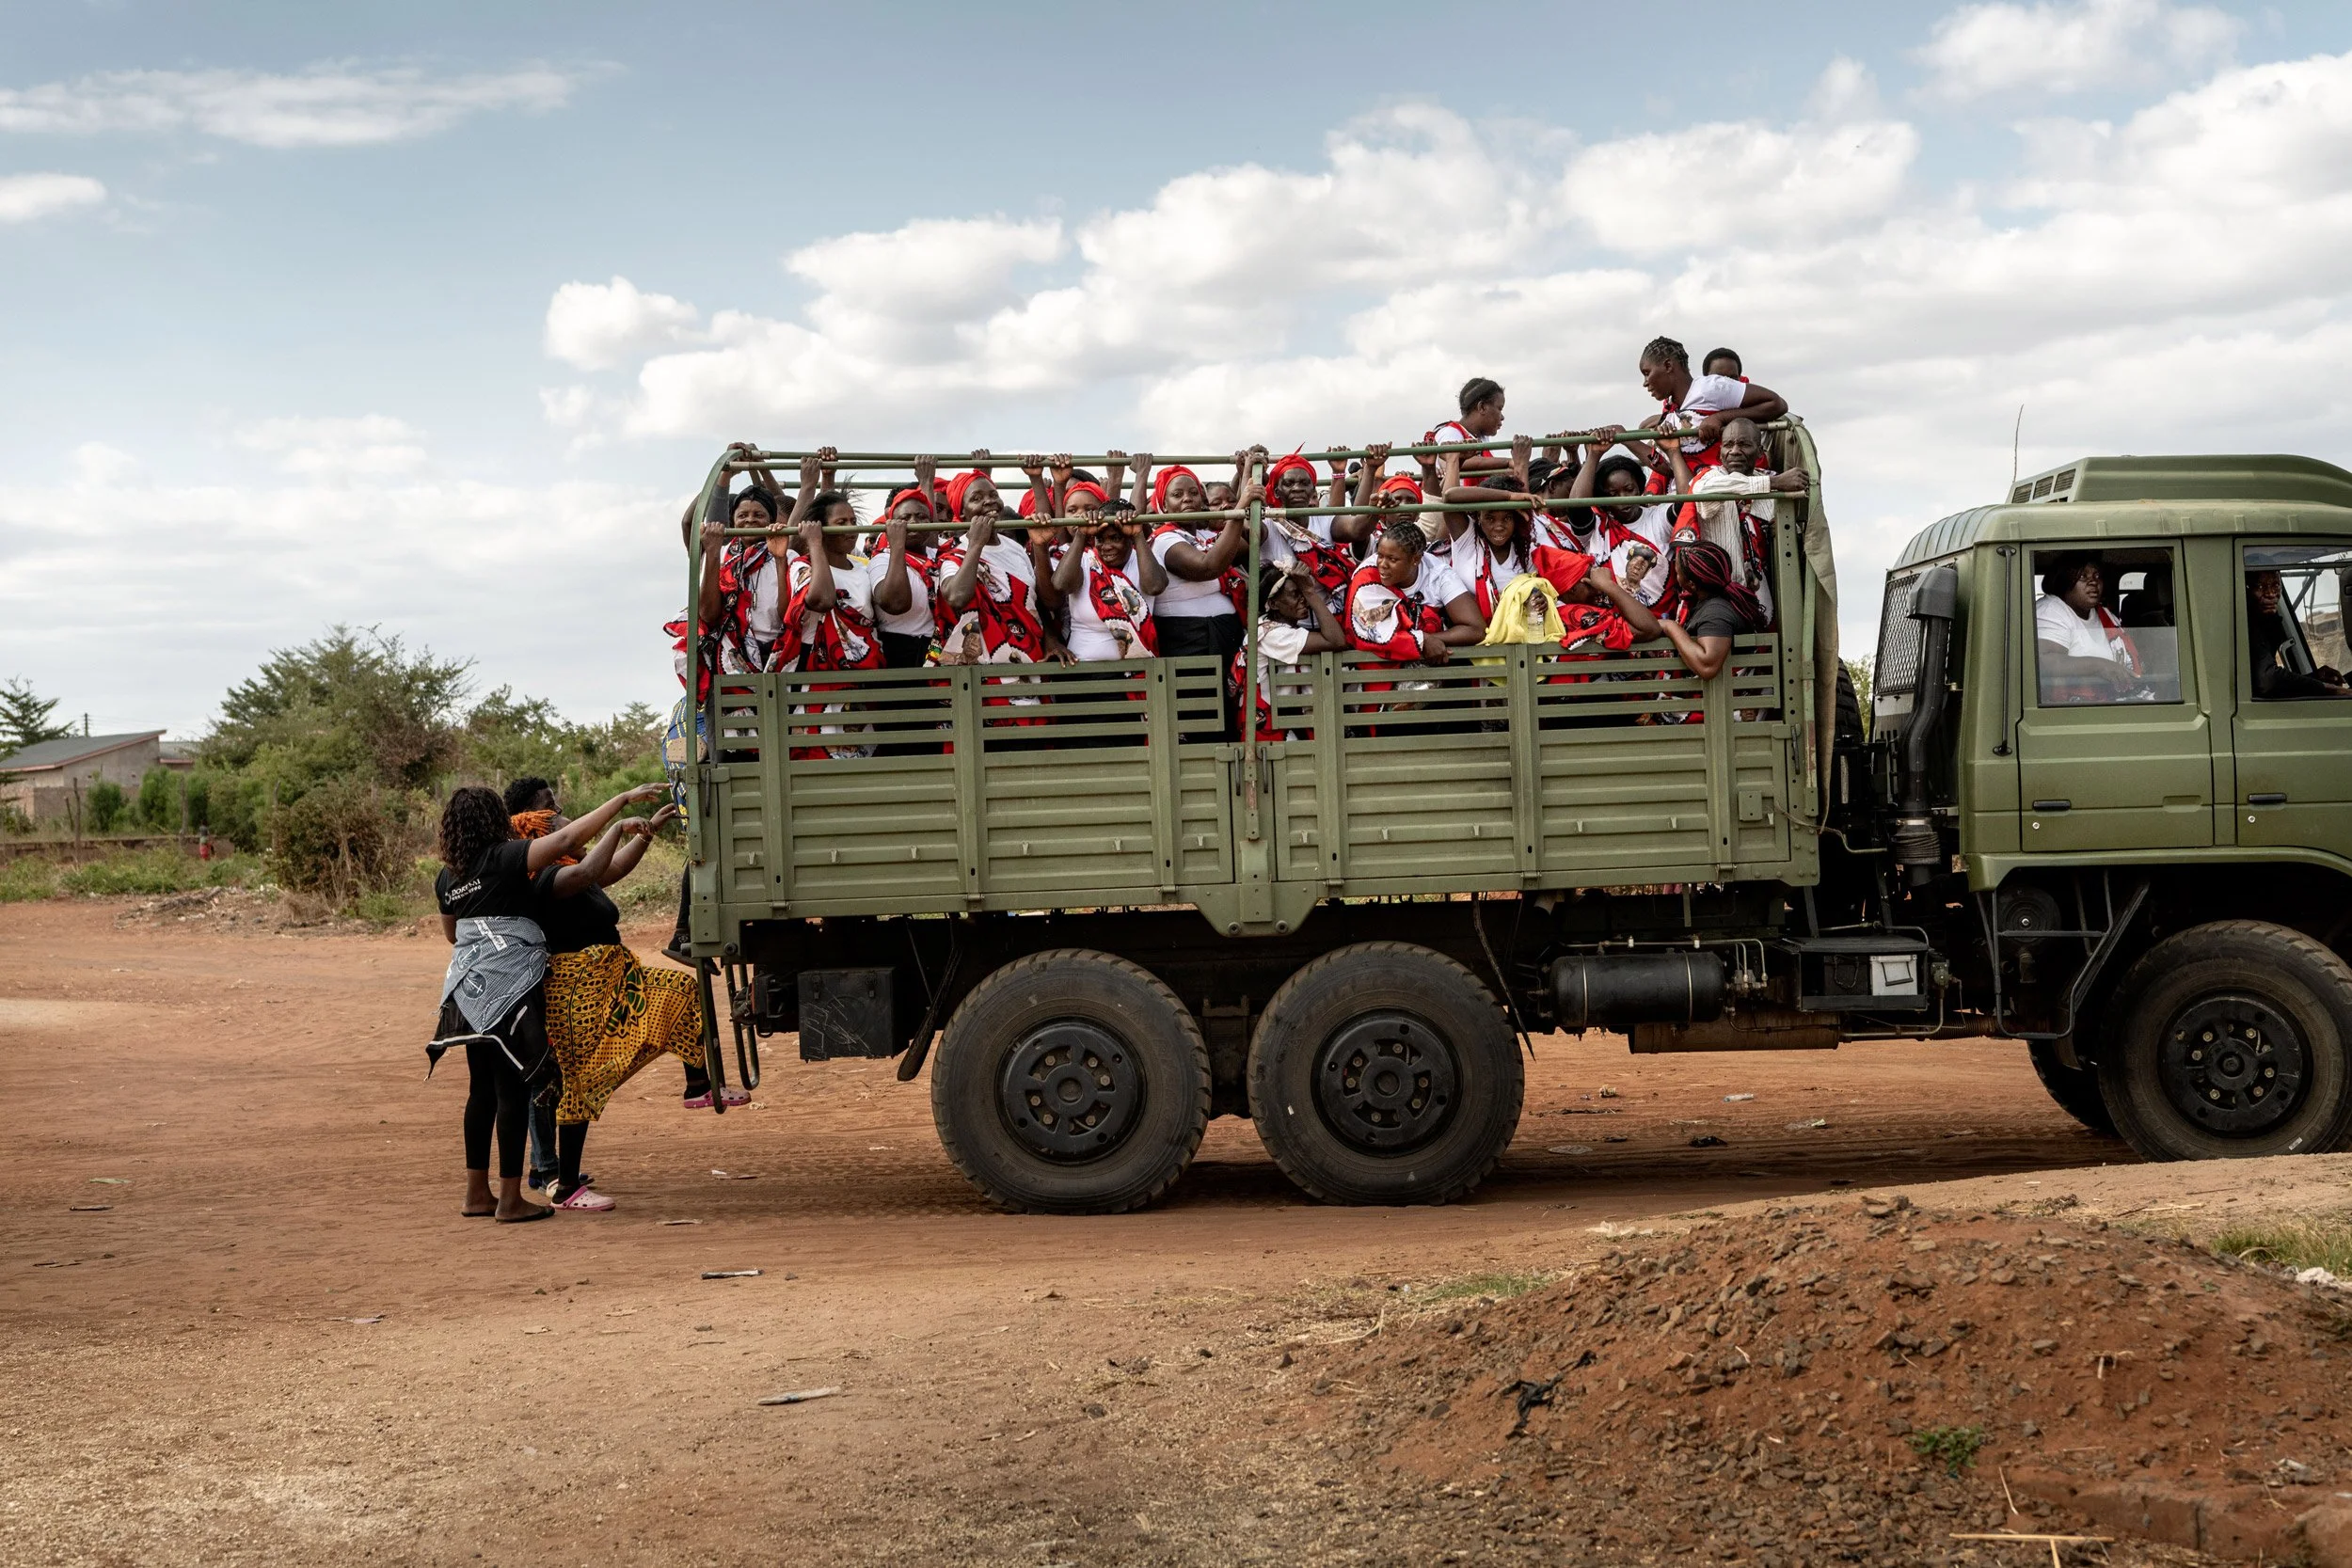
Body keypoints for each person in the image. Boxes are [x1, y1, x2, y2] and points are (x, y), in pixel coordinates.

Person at [432, 781, 665, 1223]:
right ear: (493, 821)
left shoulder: (448, 876)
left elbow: (450, 934)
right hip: (509, 990)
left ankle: (476, 1195)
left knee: (479, 1092)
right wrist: (620, 801)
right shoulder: (503, 858)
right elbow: (564, 841)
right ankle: (511, 1199)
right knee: (512, 1091)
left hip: (465, 990)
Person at [508, 792, 700, 1213]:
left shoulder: (571, 870)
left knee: (679, 991)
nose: (577, 828)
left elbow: (609, 868)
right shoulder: (546, 879)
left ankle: (699, 1084)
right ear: (546, 838)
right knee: (576, 1082)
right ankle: (561, 1184)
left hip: (607, 984)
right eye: (565, 827)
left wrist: (647, 832)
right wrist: (615, 824)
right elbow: (595, 866)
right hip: (576, 995)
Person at [1663, 418, 1807, 628]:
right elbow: (1707, 491)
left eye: (1744, 444)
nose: (1735, 451)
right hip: (1716, 599)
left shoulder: (1770, 487)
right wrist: (1773, 483)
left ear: (1760, 453)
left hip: (1760, 595)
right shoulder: (1707, 478)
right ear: (1720, 452)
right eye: (1729, 445)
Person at [933, 463, 1071, 669]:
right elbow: (956, 597)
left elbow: (1036, 602)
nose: (989, 502)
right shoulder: (956, 552)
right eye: (976, 498)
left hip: (1028, 656)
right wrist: (976, 544)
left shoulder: (1015, 548)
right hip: (981, 669)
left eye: (993, 495)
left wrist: (1051, 639)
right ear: (962, 513)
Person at [1600, 337, 1787, 472]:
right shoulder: (1672, 412)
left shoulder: (1710, 387)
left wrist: (1720, 418)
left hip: (1730, 493)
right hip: (1695, 497)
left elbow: (1777, 404)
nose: (1645, 382)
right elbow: (1666, 467)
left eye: (1647, 372)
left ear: (1667, 366)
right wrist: (1624, 437)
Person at [1141, 454, 1251, 663]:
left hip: (1223, 635)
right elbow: (1208, 567)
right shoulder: (1164, 539)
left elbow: (1247, 546)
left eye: (1193, 493)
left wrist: (1246, 475)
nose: (1187, 498)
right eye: (1177, 494)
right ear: (1163, 505)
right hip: (1189, 640)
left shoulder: (1203, 537)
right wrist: (1239, 509)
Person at [1343, 516, 1484, 665]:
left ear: (1415, 560)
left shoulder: (1439, 573)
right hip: (1379, 669)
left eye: (1392, 559)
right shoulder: (1367, 572)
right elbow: (1368, 627)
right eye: (1380, 556)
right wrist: (1422, 640)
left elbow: (1476, 629)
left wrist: (1432, 640)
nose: (1382, 564)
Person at [1239, 559, 1350, 739]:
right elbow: (1336, 641)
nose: (1303, 600)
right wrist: (1309, 591)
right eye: (1294, 594)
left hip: (1286, 719)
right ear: (1274, 604)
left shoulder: (1276, 628)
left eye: (1302, 594)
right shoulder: (1271, 634)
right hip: (1271, 727)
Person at [1052, 498, 1166, 660]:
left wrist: (1138, 534)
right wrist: (1081, 534)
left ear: (1128, 538)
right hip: (1086, 668)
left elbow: (1155, 586)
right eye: (1100, 539)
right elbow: (1061, 585)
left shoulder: (1145, 558)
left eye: (1115, 538)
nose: (1106, 546)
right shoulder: (1084, 560)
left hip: (1138, 668)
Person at [1568, 442, 1675, 606]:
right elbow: (1576, 505)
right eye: (1613, 494)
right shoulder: (1596, 527)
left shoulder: (1658, 516)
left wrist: (1673, 451)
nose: (1623, 498)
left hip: (1661, 620)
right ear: (1603, 499)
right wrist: (1594, 455)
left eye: (1629, 489)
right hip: (1611, 623)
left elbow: (1688, 496)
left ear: (1639, 488)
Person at [2034, 554, 2140, 703]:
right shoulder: (2051, 611)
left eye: (2097, 576)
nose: (2093, 582)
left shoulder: (2106, 615)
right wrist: (2099, 666)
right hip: (2069, 711)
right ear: (2063, 581)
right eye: (2083, 576)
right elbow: (2043, 662)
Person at [1659, 541, 1767, 682]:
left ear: (1691, 584)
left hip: (1729, 699)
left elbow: (1707, 667)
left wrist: (1670, 626)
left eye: (1678, 574)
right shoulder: (1703, 602)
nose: (1676, 578)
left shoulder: (1716, 612)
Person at [870, 455, 941, 669]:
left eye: (922, 517)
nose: (914, 524)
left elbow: (934, 539)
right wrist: (897, 544)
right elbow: (896, 604)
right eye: (905, 518)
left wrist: (927, 482)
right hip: (897, 651)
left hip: (937, 648)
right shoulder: (882, 559)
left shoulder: (939, 554)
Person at [2248, 568, 2351, 698]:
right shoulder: (2247, 625)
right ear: (2246, 589)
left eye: (2276, 585)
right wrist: (2330, 690)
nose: (2270, 593)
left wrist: (2316, 678)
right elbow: (2267, 680)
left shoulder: (2266, 623)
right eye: (2260, 586)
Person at [1425, 377, 1512, 481]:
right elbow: (1450, 460)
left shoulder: (1482, 438)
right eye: (1499, 409)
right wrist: (1509, 462)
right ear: (1482, 407)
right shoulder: (1450, 432)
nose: (1502, 417)